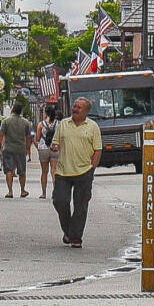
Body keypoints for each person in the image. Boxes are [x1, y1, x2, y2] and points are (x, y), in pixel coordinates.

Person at [51, 94, 104, 249]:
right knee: (59, 201)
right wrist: (55, 146)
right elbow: (55, 142)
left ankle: (75, 237)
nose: (75, 109)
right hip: (63, 171)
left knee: (81, 206)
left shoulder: (93, 127)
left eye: (79, 107)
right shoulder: (63, 124)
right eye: (74, 106)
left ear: (86, 111)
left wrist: (92, 167)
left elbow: (98, 149)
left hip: (84, 171)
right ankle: (68, 230)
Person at [0, 101, 31, 198]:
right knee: (22, 171)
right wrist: (28, 149)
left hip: (8, 148)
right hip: (20, 149)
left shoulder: (6, 121)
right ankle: (23, 190)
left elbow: (1, 135)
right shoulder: (26, 122)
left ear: (12, 109)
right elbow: (28, 137)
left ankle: (10, 191)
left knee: (9, 170)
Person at [35, 104, 58, 198]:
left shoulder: (41, 124)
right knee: (54, 171)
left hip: (43, 148)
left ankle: (44, 193)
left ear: (46, 113)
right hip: (54, 148)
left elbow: (37, 138)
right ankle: (56, 192)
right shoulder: (58, 124)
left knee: (44, 172)